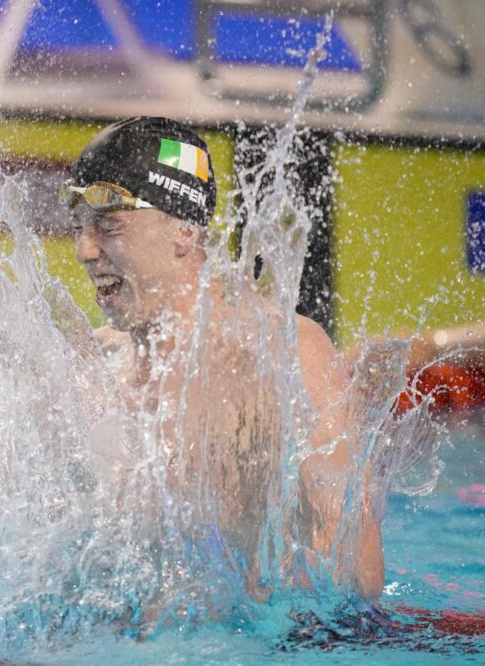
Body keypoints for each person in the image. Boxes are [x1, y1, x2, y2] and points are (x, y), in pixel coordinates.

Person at [62, 117, 384, 600]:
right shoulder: (99, 364)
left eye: (108, 225)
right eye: (80, 228)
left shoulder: (280, 351)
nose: (85, 250)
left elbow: (356, 575)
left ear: (185, 231)